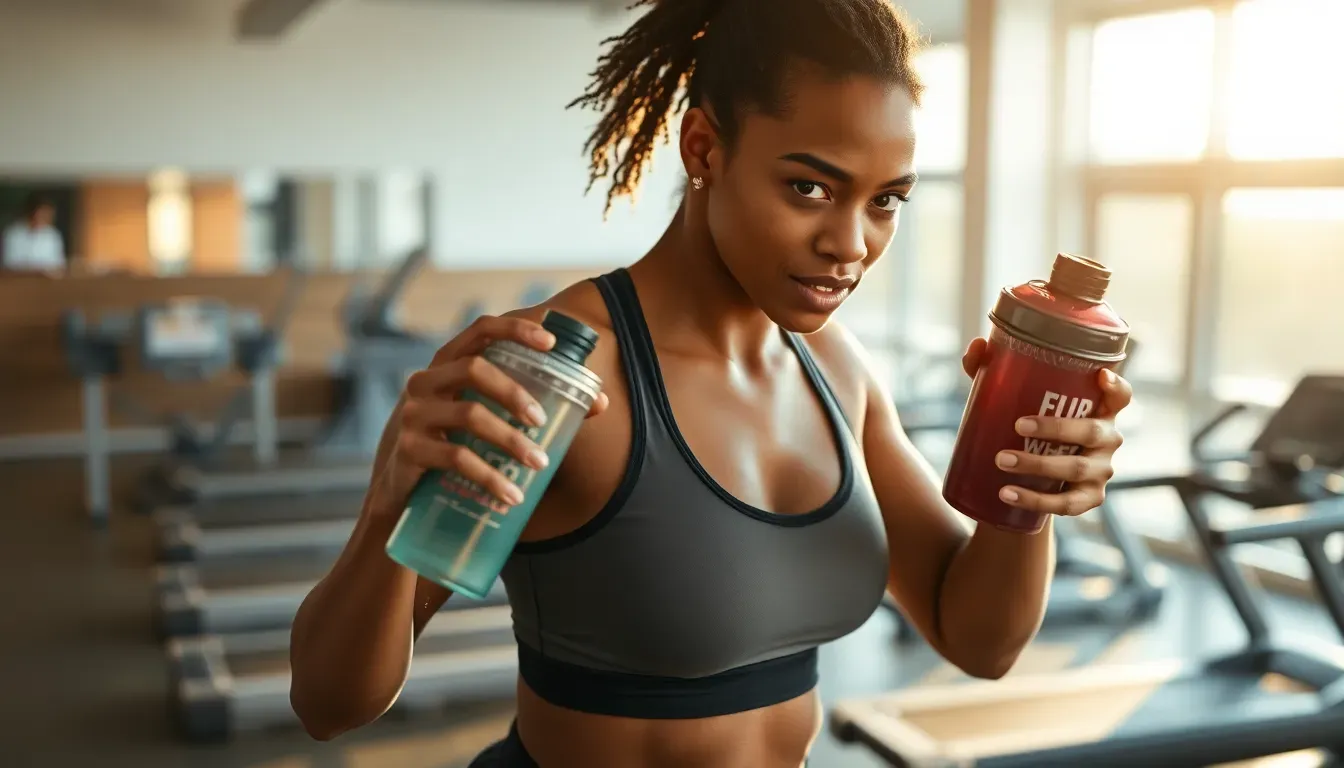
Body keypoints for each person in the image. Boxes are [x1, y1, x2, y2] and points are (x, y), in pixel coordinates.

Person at [289, 0, 1133, 765]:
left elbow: (977, 640)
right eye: (810, 188)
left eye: (885, 201)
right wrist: (385, 508)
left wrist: (1029, 495)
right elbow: (330, 706)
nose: (851, 243)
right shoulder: (565, 368)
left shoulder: (836, 368)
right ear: (704, 148)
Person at [1, 193, 66, 272]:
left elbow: (58, 264)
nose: (45, 217)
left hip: (46, 282)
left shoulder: (53, 235)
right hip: (19, 281)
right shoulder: (13, 233)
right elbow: (9, 263)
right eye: (42, 213)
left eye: (48, 214)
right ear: (32, 212)